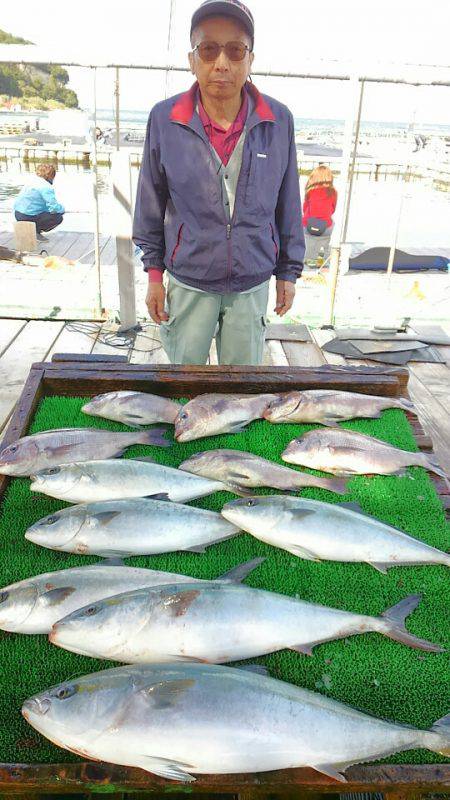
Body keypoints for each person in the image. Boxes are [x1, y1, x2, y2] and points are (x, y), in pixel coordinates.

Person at [133, 0, 305, 366]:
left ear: (250, 59)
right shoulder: (164, 119)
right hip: (189, 281)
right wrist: (153, 274)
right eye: (208, 49)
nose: (221, 63)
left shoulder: (279, 121)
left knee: (241, 391)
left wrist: (288, 272)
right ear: (192, 59)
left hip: (252, 283)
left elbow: (289, 202)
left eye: (235, 49)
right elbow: (150, 201)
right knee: (183, 380)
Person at [14, 163, 65, 242]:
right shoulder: (46, 187)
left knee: (45, 211)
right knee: (58, 217)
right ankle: (36, 232)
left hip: (18, 214)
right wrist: (62, 209)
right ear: (51, 175)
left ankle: (32, 231)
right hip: (28, 216)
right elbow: (54, 208)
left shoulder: (31, 181)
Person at [302, 164, 337, 235]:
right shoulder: (333, 192)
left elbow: (304, 208)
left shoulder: (310, 190)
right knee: (332, 223)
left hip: (308, 224)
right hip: (325, 226)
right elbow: (332, 210)